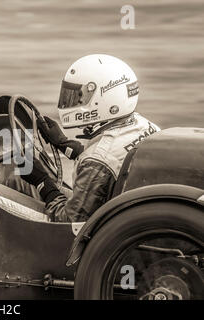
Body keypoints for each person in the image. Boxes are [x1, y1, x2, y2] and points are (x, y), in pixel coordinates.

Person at [21, 54, 160, 222]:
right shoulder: (145, 125)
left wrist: (42, 182)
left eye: (79, 96)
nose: (72, 101)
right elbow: (111, 163)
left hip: (80, 235)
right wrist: (64, 144)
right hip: (125, 219)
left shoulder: (97, 161)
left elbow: (68, 223)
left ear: (104, 97)